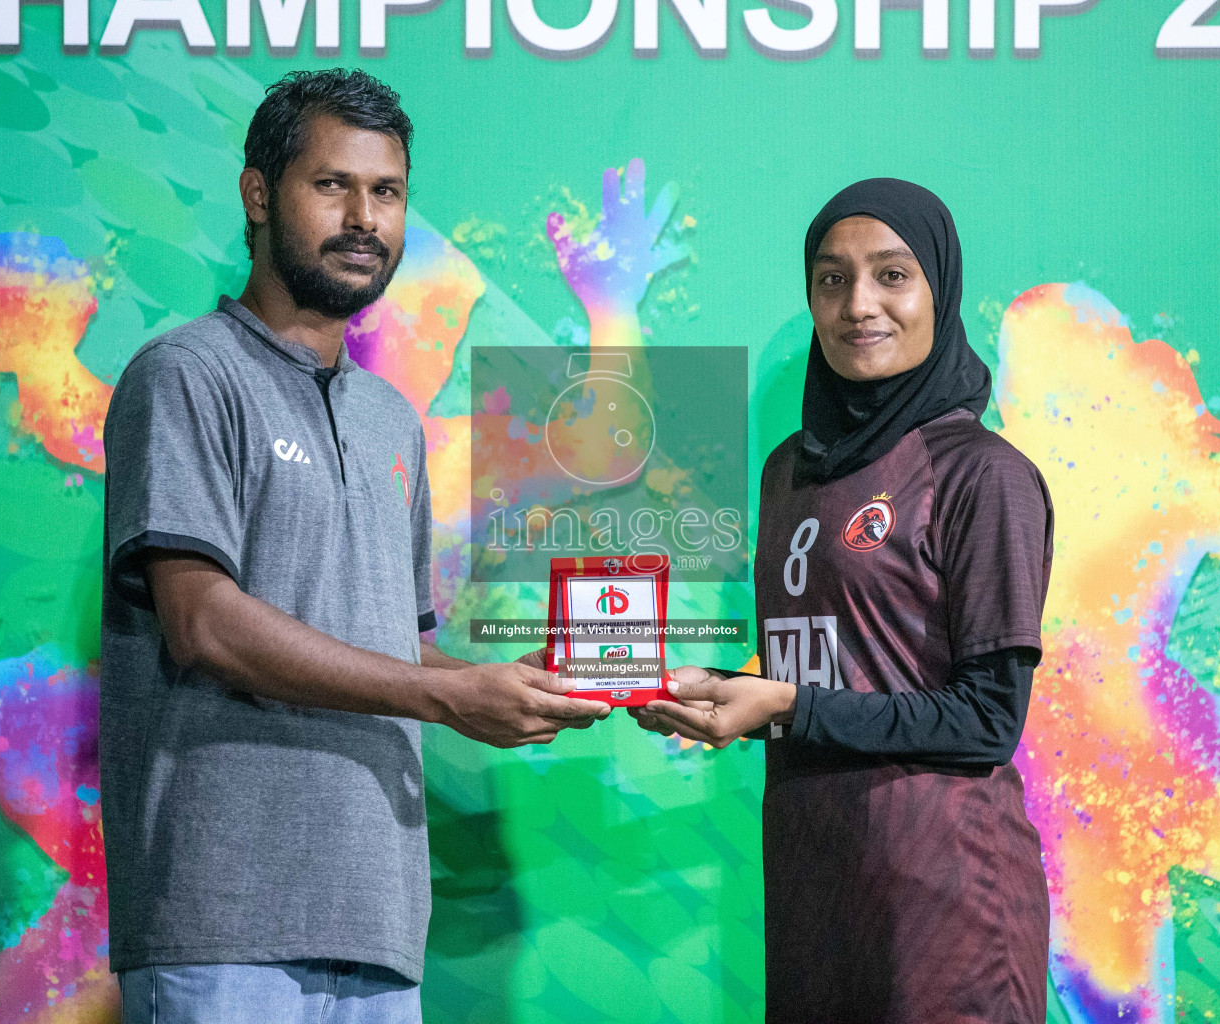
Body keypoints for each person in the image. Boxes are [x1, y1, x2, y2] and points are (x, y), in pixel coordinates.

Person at [99, 69, 607, 1024]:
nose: (364, 218)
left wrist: (510, 684)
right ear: (258, 195)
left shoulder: (389, 421)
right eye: (332, 186)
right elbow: (202, 624)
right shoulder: (184, 374)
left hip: (377, 921)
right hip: (221, 923)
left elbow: (395, 643)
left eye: (387, 192)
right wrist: (444, 696)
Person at [632, 179, 1054, 1023]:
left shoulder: (982, 473)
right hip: (814, 886)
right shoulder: (788, 469)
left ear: (940, 288)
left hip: (945, 903)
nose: (859, 305)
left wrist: (784, 704)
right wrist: (710, 689)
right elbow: (833, 669)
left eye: (892, 276)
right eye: (832, 280)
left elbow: (987, 721)